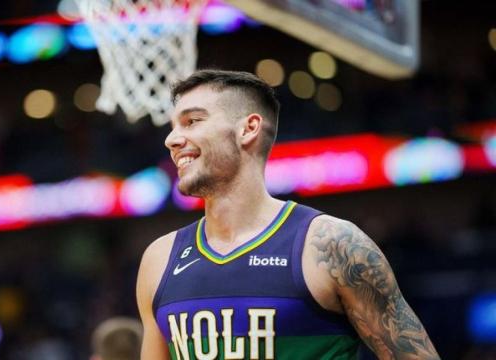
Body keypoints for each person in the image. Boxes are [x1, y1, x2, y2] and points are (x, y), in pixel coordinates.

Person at [136, 69, 440, 359]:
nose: (172, 139)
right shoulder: (159, 258)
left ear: (248, 129)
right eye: (173, 126)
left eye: (192, 121)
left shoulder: (332, 244)